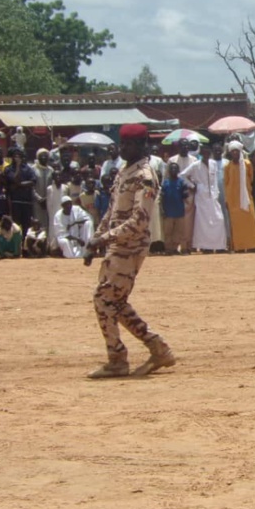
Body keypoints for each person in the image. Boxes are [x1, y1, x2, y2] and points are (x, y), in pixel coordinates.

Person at [86, 123, 175, 379]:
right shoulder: (124, 171)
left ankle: (117, 359)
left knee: (104, 299)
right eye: (122, 143)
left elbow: (139, 221)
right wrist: (97, 238)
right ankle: (158, 348)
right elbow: (112, 212)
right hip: (117, 245)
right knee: (114, 301)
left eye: (128, 144)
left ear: (141, 145)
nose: (123, 148)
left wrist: (102, 239)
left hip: (131, 246)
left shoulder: (145, 176)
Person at [183, 152, 227, 253]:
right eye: (205, 152)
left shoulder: (213, 164)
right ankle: (206, 247)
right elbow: (182, 175)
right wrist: (192, 185)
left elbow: (214, 179)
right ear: (202, 154)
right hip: (201, 196)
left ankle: (220, 246)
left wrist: (217, 192)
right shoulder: (195, 165)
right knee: (203, 223)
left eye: (208, 152)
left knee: (219, 219)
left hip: (214, 195)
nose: (207, 155)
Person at [224, 141, 255, 252]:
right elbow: (226, 183)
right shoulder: (227, 166)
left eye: (237, 151)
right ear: (230, 153)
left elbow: (251, 179)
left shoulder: (247, 164)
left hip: (246, 198)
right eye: (233, 151)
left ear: (240, 152)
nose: (235, 153)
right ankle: (239, 247)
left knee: (250, 220)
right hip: (233, 199)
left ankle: (253, 245)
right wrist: (227, 199)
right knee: (237, 224)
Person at [168, 139, 198, 253]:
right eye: (182, 146)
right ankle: (174, 246)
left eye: (187, 146)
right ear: (178, 147)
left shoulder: (194, 160)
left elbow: (195, 178)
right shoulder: (172, 160)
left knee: (188, 221)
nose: (185, 148)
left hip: (188, 193)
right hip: (174, 194)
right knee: (175, 221)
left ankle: (187, 246)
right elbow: (167, 177)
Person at [4, 148, 36, 231]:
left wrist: (19, 185)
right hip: (15, 201)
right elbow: (14, 179)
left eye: (19, 156)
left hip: (26, 201)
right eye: (15, 156)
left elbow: (33, 181)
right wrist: (18, 166)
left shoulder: (28, 169)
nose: (17, 158)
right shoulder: (8, 169)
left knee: (27, 225)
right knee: (15, 226)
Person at [161, 161, 188, 255]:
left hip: (179, 211)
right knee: (168, 232)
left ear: (178, 170)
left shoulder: (181, 182)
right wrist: (162, 210)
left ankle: (178, 248)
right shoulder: (165, 183)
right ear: (169, 170)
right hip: (168, 212)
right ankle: (168, 249)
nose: (173, 170)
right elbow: (162, 197)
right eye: (172, 168)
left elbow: (185, 196)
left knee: (179, 232)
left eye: (175, 168)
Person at [31, 148, 54, 230]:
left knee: (48, 223)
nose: (44, 158)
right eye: (41, 156)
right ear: (38, 157)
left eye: (46, 156)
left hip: (48, 201)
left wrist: (47, 198)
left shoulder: (51, 170)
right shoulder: (33, 169)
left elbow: (52, 186)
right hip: (37, 202)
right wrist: (39, 199)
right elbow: (31, 186)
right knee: (38, 223)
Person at [46, 170, 65, 253]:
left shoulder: (65, 187)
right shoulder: (49, 189)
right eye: (56, 176)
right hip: (53, 212)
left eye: (59, 176)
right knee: (53, 229)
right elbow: (49, 203)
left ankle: (61, 249)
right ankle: (53, 248)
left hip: (63, 212)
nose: (58, 177)